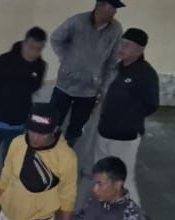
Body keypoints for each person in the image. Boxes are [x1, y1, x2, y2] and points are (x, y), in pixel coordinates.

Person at [0, 27, 47, 199]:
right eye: (31, 47)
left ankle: (4, 189)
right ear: (24, 43)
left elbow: (35, 87)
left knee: (11, 159)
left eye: (38, 49)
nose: (33, 52)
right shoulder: (6, 60)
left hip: (18, 122)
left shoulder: (40, 66)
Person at [94, 28, 158, 206]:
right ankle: (104, 207)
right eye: (121, 43)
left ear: (140, 50)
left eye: (127, 45)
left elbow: (152, 104)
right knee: (102, 173)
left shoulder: (146, 74)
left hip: (124, 137)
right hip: (104, 131)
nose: (122, 47)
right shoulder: (117, 68)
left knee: (124, 178)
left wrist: (129, 118)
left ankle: (134, 214)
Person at [49, 1, 124, 147]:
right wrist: (67, 59)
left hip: (89, 89)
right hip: (65, 83)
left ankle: (68, 151)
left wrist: (104, 88)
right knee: (53, 120)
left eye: (116, 9)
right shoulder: (77, 21)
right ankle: (48, 150)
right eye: (112, 8)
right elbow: (56, 38)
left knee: (77, 127)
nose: (115, 12)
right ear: (99, 6)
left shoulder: (116, 29)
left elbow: (113, 60)